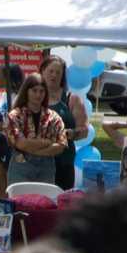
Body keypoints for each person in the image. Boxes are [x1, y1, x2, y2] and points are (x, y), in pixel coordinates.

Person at [6, 73, 67, 186]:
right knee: (19, 202)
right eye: (34, 90)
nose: (38, 95)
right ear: (26, 91)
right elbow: (20, 143)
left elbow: (61, 145)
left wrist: (36, 150)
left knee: (45, 202)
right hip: (21, 166)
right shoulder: (14, 116)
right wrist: (47, 142)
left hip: (46, 168)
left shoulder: (54, 117)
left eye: (42, 91)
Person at [39, 55, 88, 190]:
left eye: (58, 72)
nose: (54, 75)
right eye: (51, 71)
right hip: (36, 162)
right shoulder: (31, 96)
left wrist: (72, 133)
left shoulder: (71, 99)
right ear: (42, 71)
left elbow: (84, 130)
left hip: (63, 162)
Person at [0, 63, 24, 198]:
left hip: (14, 145)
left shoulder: (20, 97)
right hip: (0, 143)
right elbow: (1, 120)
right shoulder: (3, 96)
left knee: (12, 189)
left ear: (8, 78)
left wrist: (6, 127)